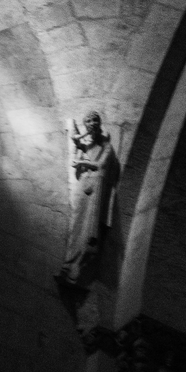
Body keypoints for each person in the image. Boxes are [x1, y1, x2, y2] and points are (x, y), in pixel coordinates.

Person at [58, 111, 117, 287]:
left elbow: (101, 165)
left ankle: (80, 265)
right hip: (85, 183)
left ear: (99, 123)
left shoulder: (106, 146)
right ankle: (69, 262)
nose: (92, 123)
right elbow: (77, 142)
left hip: (97, 184)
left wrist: (83, 163)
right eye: (88, 121)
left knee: (90, 226)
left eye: (94, 120)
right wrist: (77, 136)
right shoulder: (87, 144)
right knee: (77, 220)